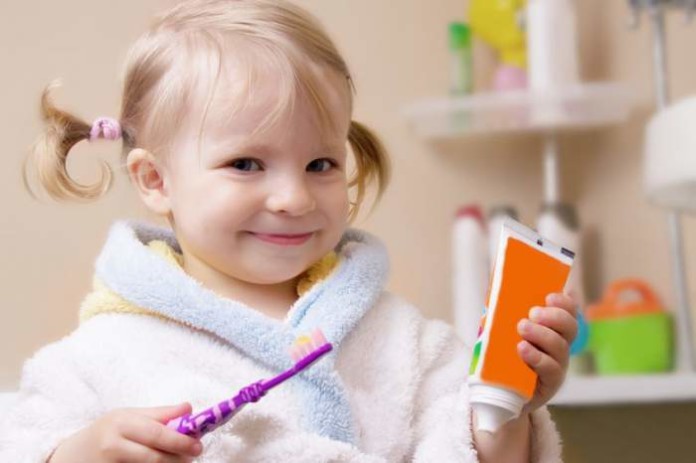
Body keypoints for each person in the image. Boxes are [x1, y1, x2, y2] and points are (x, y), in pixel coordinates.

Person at [0, 1, 578, 461]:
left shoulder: (407, 344)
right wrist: (79, 453)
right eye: (246, 164)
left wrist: (505, 411)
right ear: (155, 179)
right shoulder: (104, 353)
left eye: (320, 165)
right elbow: (24, 442)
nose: (295, 198)